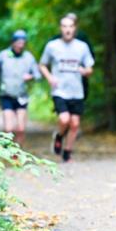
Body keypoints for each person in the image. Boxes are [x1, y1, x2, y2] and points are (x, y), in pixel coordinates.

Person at [40, 15, 94, 163]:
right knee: (64, 119)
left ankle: (67, 152)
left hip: (77, 91)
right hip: (60, 90)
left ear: (74, 28)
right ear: (60, 28)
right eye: (64, 26)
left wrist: (86, 71)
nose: (67, 29)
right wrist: (50, 78)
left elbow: (90, 67)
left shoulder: (82, 46)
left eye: (70, 26)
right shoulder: (52, 46)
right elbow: (42, 64)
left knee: (75, 124)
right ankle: (59, 135)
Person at [0, 30, 40, 145]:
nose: (21, 45)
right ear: (13, 42)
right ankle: (8, 152)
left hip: (22, 95)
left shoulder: (28, 57)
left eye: (23, 42)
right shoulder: (3, 55)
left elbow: (38, 75)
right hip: (6, 94)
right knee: (8, 129)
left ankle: (17, 154)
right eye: (18, 42)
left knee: (21, 129)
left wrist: (30, 76)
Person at [49, 12, 94, 104]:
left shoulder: (82, 37)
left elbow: (90, 55)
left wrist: (86, 68)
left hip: (79, 73)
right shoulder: (56, 39)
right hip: (61, 75)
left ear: (75, 25)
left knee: (81, 95)